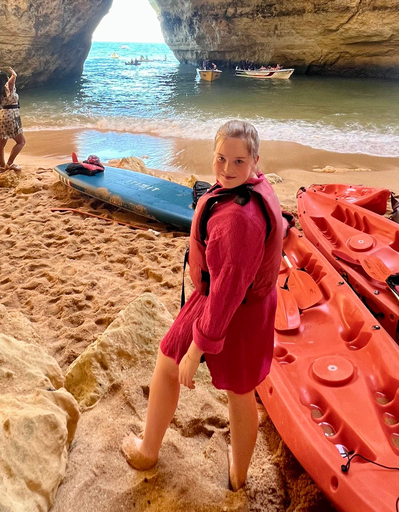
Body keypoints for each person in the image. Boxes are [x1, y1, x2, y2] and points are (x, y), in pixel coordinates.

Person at [121, 120, 285, 491]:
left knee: (168, 363)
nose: (227, 170)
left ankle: (148, 451)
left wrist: (198, 347)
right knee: (242, 393)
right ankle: (238, 479)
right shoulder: (257, 189)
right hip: (255, 305)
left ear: (255, 161)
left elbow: (227, 289)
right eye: (221, 158)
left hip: (224, 305)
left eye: (238, 162)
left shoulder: (239, 219)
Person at [0, 67, 25, 172]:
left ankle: (2, 167)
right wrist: (14, 74)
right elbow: (11, 82)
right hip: (11, 116)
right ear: (5, 80)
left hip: (2, 116)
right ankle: (10, 163)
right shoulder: (8, 87)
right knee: (21, 142)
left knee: (1, 145)